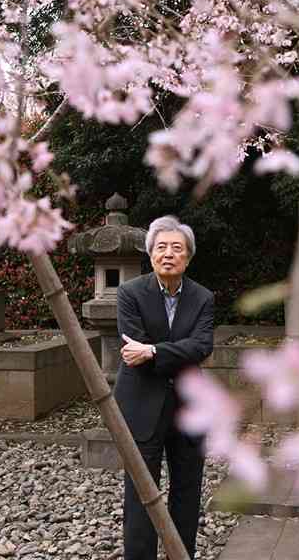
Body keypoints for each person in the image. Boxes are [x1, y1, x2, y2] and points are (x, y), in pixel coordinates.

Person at [113, 215, 214, 560]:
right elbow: (131, 349)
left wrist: (154, 351)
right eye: (161, 247)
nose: (168, 254)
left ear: (188, 256)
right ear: (150, 254)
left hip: (189, 406)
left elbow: (202, 346)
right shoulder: (129, 293)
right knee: (142, 491)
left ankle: (181, 555)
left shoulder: (203, 298)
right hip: (141, 404)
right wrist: (173, 352)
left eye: (176, 248)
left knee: (187, 490)